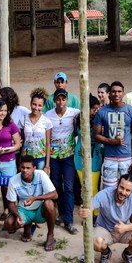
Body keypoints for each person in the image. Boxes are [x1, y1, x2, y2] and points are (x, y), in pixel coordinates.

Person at [78, 172, 132, 263]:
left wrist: (125, 227)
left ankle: (128, 254)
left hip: (124, 230)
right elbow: (89, 206)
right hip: (104, 229)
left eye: (127, 190)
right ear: (117, 184)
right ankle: (105, 253)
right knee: (96, 242)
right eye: (121, 187)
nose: (123, 192)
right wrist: (83, 210)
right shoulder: (105, 194)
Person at [44, 89, 80, 233]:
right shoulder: (48, 115)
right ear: (54, 100)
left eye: (63, 99)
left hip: (69, 156)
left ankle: (69, 220)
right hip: (54, 157)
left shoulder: (73, 112)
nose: (61, 102)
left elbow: (87, 112)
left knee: (69, 187)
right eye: (58, 99)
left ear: (66, 100)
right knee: (57, 186)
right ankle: (62, 214)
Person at [93, 81, 132, 190]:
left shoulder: (131, 111)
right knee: (109, 191)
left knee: (129, 191)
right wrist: (112, 141)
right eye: (114, 91)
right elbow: (95, 135)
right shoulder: (102, 112)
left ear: (123, 93)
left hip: (127, 158)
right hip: (110, 158)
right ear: (109, 94)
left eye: (119, 91)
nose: (116, 94)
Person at [4, 155, 58, 251]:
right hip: (24, 210)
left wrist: (35, 198)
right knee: (9, 224)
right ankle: (28, 226)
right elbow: (11, 203)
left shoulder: (41, 174)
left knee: (49, 204)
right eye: (23, 167)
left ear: (34, 168)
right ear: (19, 167)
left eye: (28, 168)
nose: (25, 170)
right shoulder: (13, 180)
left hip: (40, 210)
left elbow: (55, 195)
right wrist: (17, 216)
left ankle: (50, 235)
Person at [21, 88, 52, 171]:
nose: (36, 108)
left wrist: (47, 165)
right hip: (26, 157)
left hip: (41, 158)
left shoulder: (46, 122)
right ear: (30, 104)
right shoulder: (23, 119)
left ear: (43, 106)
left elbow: (48, 144)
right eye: (34, 104)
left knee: (39, 180)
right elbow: (22, 140)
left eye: (39, 105)